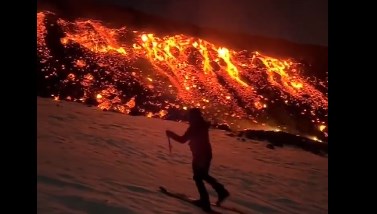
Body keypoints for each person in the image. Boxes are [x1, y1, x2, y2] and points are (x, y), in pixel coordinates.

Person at [165, 108, 230, 212]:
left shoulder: (194, 127)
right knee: (202, 176)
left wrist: (170, 134)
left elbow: (182, 140)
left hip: (200, 155)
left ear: (194, 117)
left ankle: (206, 201)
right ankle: (220, 192)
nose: (189, 118)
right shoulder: (201, 125)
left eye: (190, 116)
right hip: (205, 154)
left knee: (198, 177)